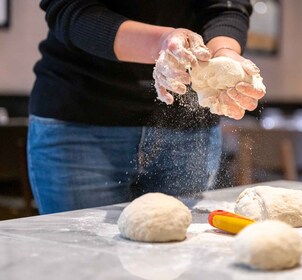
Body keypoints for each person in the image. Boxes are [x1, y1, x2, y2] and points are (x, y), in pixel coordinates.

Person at [28, 0, 265, 214]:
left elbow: (226, 6)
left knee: (179, 257)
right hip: (81, 119)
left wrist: (224, 54)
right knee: (86, 260)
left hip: (188, 132)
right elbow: (71, 8)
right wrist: (161, 43)